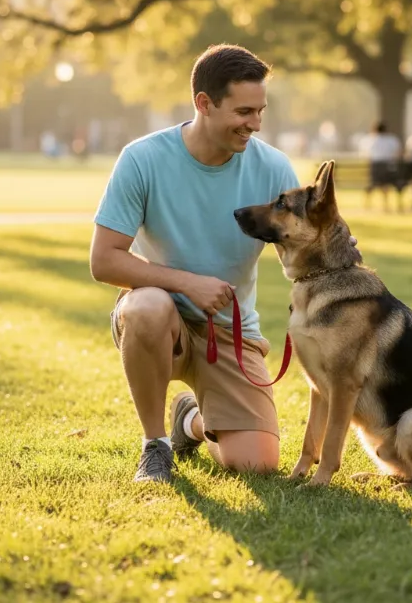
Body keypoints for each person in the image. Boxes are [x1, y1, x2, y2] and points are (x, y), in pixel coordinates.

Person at [91, 45, 324, 483]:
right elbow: (103, 261)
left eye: (260, 112)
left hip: (230, 330)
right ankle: (155, 445)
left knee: (256, 464)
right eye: (243, 112)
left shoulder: (272, 167)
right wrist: (187, 284)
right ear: (204, 103)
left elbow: (306, 248)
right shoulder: (143, 159)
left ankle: (191, 422)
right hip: (162, 323)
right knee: (147, 307)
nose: (254, 124)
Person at [362, 121, 402, 211]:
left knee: (375, 182)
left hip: (375, 169)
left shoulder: (370, 140)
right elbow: (398, 153)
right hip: (388, 168)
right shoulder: (392, 140)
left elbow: (366, 154)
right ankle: (386, 204)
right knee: (385, 182)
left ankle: (367, 204)